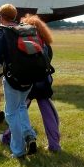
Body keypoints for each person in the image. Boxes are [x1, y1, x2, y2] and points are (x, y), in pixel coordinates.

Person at [0, 3, 38, 159]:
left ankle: (18, 150)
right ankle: (29, 135)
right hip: (30, 77)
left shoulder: (1, 32)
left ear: (1, 17)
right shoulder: (26, 29)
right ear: (14, 16)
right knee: (21, 107)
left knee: (11, 114)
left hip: (13, 78)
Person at [22, 14, 61, 152]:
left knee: (19, 111)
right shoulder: (46, 44)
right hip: (44, 82)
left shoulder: (26, 42)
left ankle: (9, 137)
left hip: (28, 83)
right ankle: (54, 144)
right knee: (49, 114)